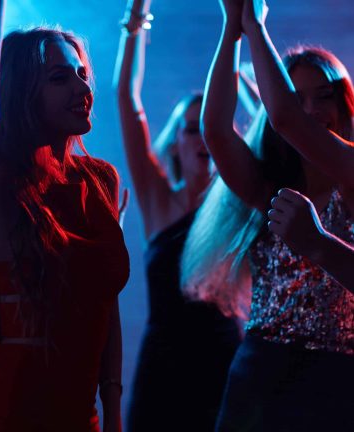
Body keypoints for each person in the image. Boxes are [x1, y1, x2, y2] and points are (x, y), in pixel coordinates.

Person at [0, 0, 130, 430]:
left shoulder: (101, 179)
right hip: (16, 410)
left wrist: (113, 407)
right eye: (60, 78)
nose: (83, 89)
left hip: (85, 414)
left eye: (82, 75)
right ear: (21, 90)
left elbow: (105, 301)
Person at [181, 0, 354, 430]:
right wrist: (230, 29)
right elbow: (217, 131)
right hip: (260, 371)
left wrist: (256, 24)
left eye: (325, 97)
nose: (313, 110)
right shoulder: (270, 187)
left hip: (335, 377)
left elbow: (287, 118)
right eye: (299, 97)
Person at [113, 0, 240, 429]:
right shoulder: (156, 197)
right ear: (176, 144)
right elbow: (126, 100)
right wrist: (136, 16)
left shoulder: (241, 201)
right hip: (163, 367)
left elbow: (282, 142)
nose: (203, 135)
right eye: (192, 127)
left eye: (211, 126)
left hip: (222, 365)